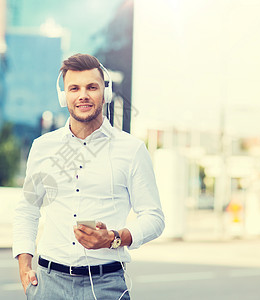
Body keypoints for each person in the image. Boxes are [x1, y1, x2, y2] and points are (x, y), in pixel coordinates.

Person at [13, 53, 165, 300]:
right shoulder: (43, 148)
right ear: (64, 97)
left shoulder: (132, 150)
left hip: (106, 284)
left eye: (91, 87)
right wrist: (24, 265)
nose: (82, 95)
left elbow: (154, 217)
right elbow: (27, 210)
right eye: (74, 88)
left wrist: (114, 238)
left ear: (105, 93)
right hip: (48, 284)